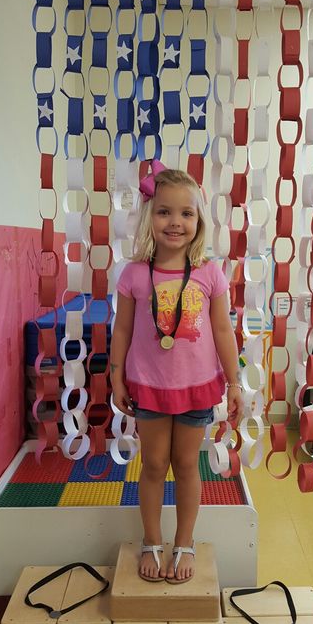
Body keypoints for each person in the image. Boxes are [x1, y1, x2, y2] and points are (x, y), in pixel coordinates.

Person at [110, 160, 244, 584]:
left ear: (198, 220)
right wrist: (115, 375)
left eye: (186, 213)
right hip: (148, 387)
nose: (175, 222)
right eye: (165, 211)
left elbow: (222, 329)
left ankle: (183, 541)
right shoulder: (133, 273)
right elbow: (124, 329)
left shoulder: (210, 272)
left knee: (186, 466)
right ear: (151, 215)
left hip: (195, 388)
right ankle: (152, 540)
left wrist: (235, 380)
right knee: (153, 465)